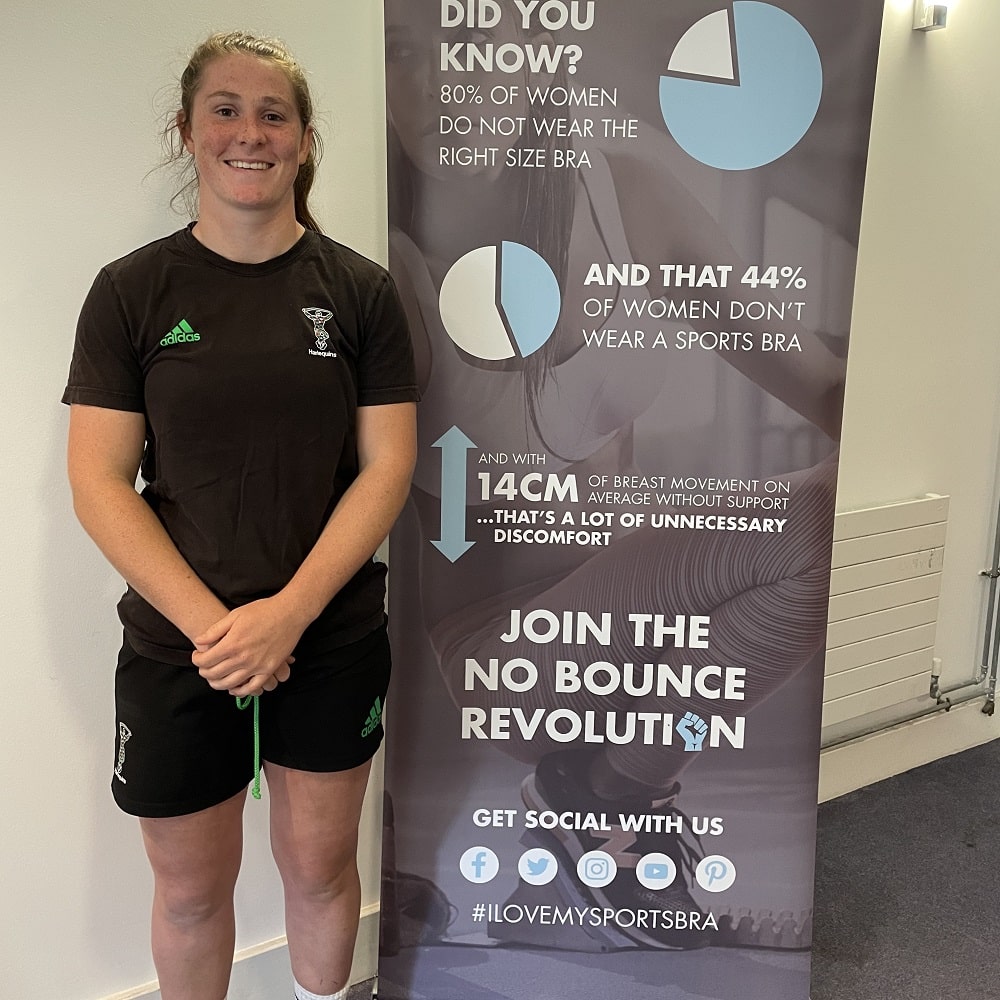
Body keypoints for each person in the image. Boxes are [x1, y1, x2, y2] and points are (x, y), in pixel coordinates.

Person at [381, 0, 842, 953]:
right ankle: (603, 796)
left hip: (641, 620)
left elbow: (816, 380)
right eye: (399, 51)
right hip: (511, 656)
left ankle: (605, 802)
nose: (433, 83)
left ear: (534, 53)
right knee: (808, 527)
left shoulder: (625, 194)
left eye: (466, 44)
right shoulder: (390, 259)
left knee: (826, 522)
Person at [63, 31, 418, 1000]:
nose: (249, 132)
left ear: (303, 139)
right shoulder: (131, 291)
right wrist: (218, 633)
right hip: (181, 645)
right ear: (187, 131)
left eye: (273, 114)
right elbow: (99, 481)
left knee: (320, 870)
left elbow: (387, 467)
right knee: (187, 894)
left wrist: (287, 617)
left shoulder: (360, 292)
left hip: (330, 635)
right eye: (225, 110)